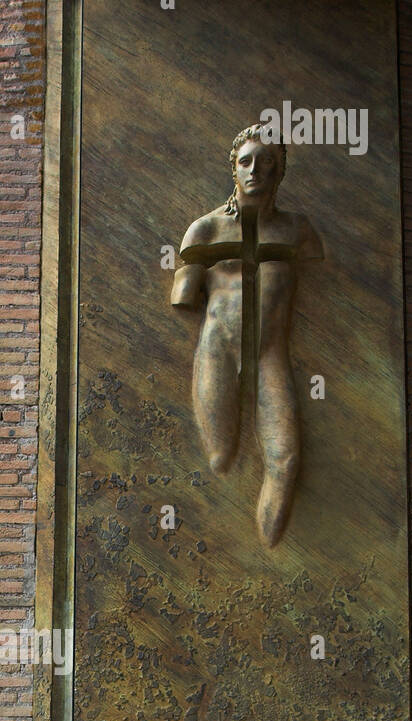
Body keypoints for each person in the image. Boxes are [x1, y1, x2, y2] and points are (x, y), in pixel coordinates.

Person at [171, 123, 324, 547]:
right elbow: (183, 299)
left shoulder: (298, 231)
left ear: (279, 173)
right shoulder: (204, 231)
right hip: (218, 348)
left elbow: (318, 270)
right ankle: (209, 547)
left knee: (286, 457)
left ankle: (270, 551)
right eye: (246, 162)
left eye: (267, 163)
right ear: (233, 169)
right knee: (220, 458)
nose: (255, 170)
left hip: (268, 354)